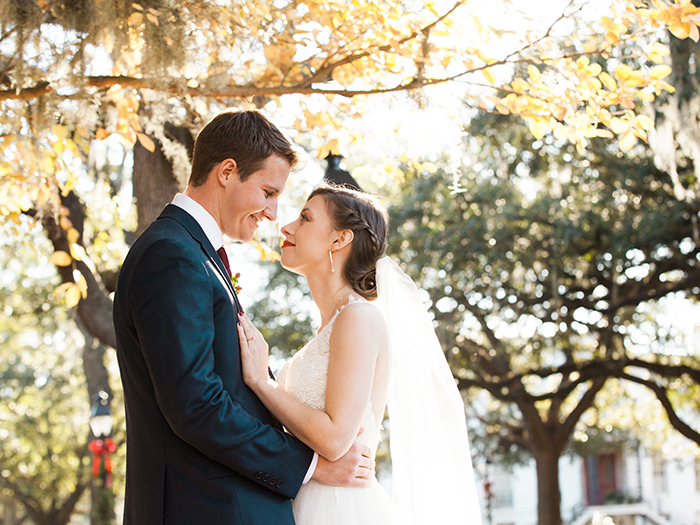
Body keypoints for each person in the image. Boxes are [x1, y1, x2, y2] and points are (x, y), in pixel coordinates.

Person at [112, 109, 374, 525]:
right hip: (206, 509)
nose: (273, 213)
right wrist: (311, 467)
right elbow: (196, 403)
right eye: (268, 192)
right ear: (227, 171)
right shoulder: (172, 255)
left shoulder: (193, 253)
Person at [237, 182, 483, 525]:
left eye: (305, 218)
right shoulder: (329, 329)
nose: (286, 226)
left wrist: (263, 382)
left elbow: (336, 438)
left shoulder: (359, 318)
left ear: (339, 240)